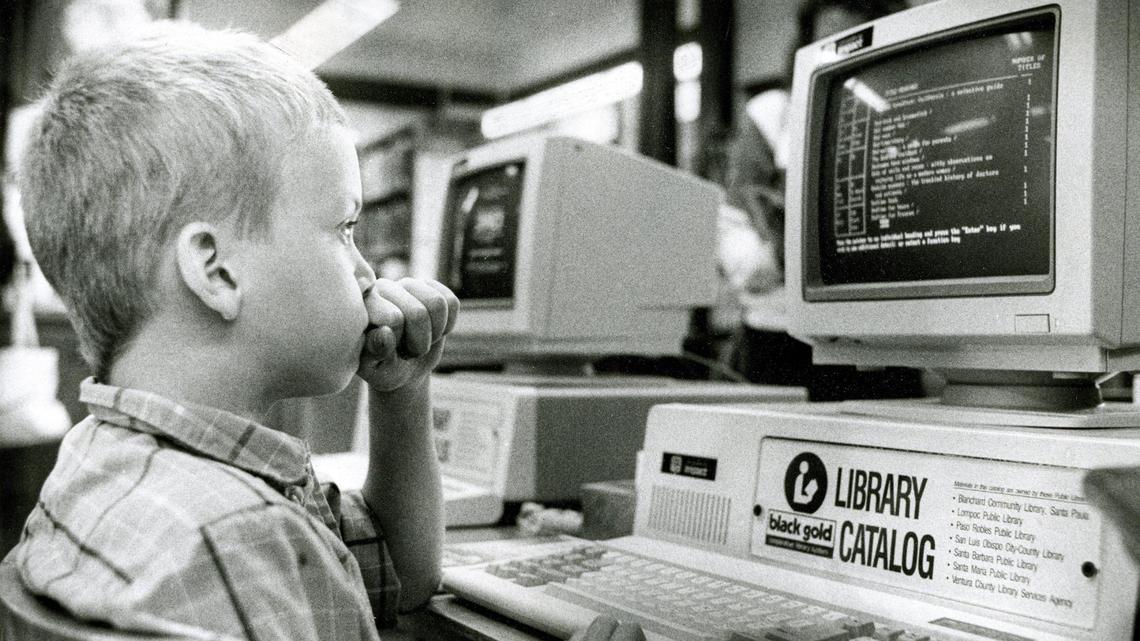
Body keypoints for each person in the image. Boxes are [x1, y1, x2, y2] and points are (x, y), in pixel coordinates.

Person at [8, 22, 642, 641]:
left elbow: (403, 574)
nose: (367, 270)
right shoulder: (237, 541)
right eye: (343, 229)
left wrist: (402, 392)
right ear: (217, 270)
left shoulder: (115, 461)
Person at [719, 0, 925, 401]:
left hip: (883, 338)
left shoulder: (905, 108)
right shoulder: (771, 116)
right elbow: (735, 240)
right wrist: (782, 250)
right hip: (783, 337)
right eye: (827, 44)